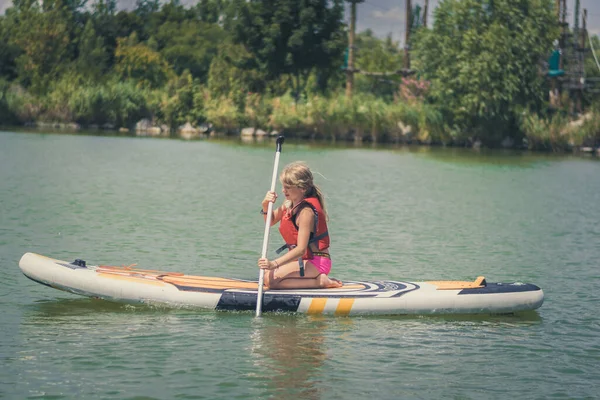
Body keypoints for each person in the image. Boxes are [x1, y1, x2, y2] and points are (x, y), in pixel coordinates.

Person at [257, 161, 343, 290]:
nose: (283, 190)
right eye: (283, 186)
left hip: (317, 262)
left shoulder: (306, 212)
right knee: (266, 277)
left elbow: (301, 249)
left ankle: (320, 282)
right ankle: (312, 279)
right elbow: (270, 221)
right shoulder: (289, 203)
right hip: (302, 261)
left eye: (288, 186)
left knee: (271, 281)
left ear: (302, 188)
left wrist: (274, 263)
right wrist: (265, 205)